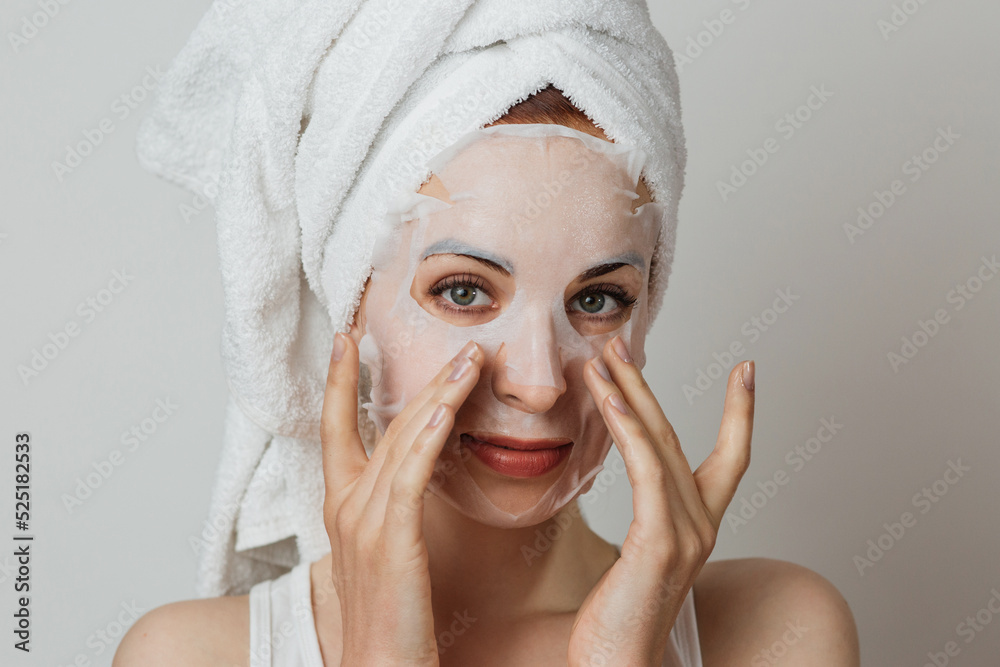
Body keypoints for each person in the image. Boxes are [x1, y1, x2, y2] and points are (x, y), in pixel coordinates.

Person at [114, 86, 860, 666]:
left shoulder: (777, 633)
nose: (538, 383)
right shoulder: (187, 656)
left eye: (597, 300)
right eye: (463, 291)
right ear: (349, 311)